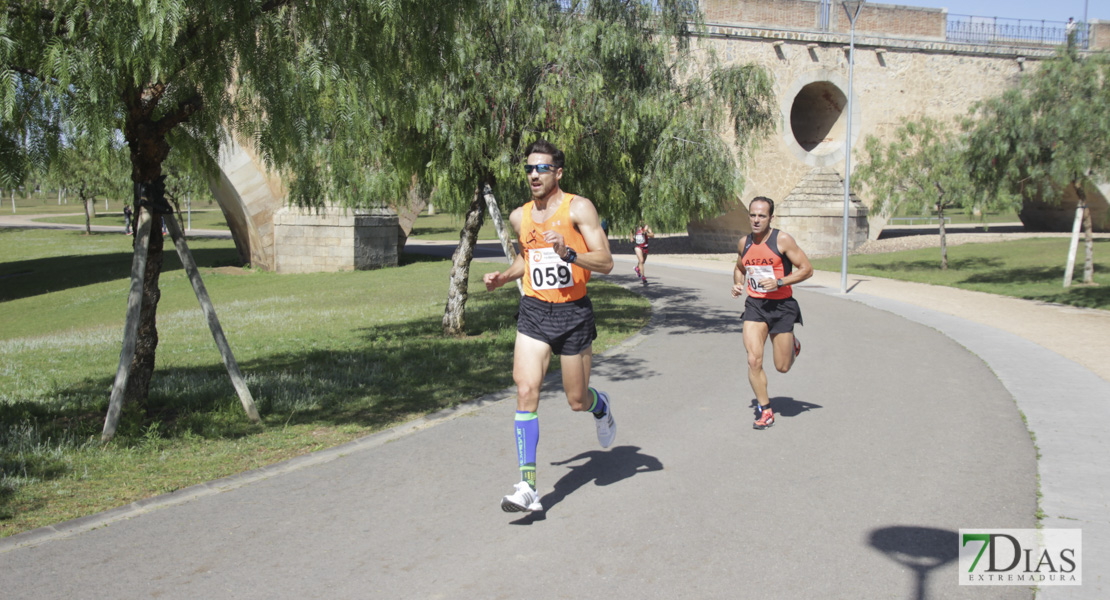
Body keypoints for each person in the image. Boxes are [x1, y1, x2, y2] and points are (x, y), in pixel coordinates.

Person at [483, 139, 616, 513]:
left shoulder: (579, 208)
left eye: (541, 168)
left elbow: (606, 262)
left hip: (573, 314)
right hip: (535, 312)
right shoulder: (518, 216)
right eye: (528, 168)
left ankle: (600, 407)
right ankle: (527, 487)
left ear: (558, 172)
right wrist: (504, 278)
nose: (533, 175)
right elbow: (528, 260)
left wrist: (569, 253)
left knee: (577, 399)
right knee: (526, 389)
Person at [730, 196, 813, 430]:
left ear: (771, 218)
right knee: (753, 359)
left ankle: (792, 345)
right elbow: (739, 268)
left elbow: (807, 269)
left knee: (782, 366)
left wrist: (780, 281)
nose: (756, 220)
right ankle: (765, 410)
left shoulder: (782, 240)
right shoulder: (743, 242)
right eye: (753, 215)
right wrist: (738, 284)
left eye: (762, 216)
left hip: (782, 306)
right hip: (755, 306)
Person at [631, 221, 654, 285]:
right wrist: (631, 237)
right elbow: (631, 231)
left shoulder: (647, 226)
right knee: (641, 260)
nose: (641, 221)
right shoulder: (635, 226)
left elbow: (652, 235)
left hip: (645, 246)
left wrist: (645, 233)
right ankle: (643, 277)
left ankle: (637, 268)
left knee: (643, 262)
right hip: (638, 246)